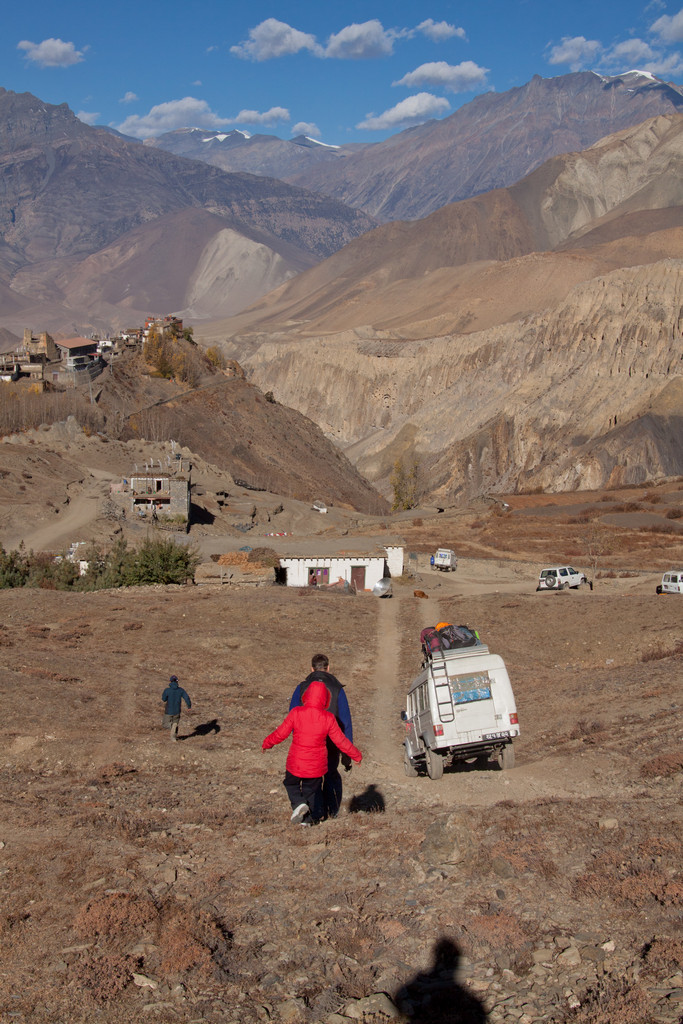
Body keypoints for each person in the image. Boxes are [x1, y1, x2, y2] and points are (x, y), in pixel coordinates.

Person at [262, 679, 362, 826]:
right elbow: (341, 740)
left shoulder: (296, 713)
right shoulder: (328, 718)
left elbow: (281, 733)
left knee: (290, 784)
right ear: (326, 699)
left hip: (295, 762)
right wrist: (356, 755)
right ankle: (307, 821)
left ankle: (298, 804)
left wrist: (267, 743)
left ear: (306, 696)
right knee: (311, 792)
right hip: (316, 766)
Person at [289, 654, 353, 820]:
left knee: (311, 776)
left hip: (308, 741)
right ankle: (332, 811)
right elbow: (345, 721)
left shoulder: (302, 687)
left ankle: (314, 812)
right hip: (332, 742)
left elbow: (292, 715)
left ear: (311, 668)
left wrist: (297, 740)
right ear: (328, 668)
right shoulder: (337, 689)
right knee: (331, 773)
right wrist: (347, 753)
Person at [161, 674, 191, 741]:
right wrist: (189, 706)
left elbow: (163, 699)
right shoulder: (181, 690)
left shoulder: (167, 690)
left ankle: (173, 730)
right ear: (177, 682)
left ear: (170, 681)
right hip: (177, 711)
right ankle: (173, 738)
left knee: (165, 724)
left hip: (168, 711)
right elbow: (187, 698)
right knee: (175, 724)